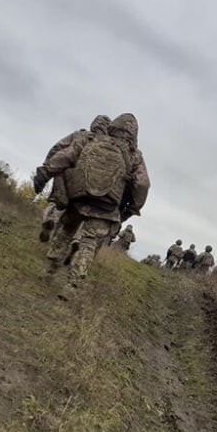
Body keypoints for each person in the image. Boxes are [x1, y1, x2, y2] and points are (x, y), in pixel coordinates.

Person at [33, 112, 150, 299]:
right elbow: (142, 184)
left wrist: (45, 173)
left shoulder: (91, 140)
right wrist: (131, 209)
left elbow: (67, 154)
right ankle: (72, 286)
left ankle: (50, 270)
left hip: (78, 198)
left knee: (65, 232)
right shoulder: (134, 156)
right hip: (107, 206)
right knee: (89, 242)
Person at [38, 115, 110, 242]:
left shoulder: (79, 135)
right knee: (72, 210)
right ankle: (58, 240)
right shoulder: (105, 145)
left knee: (55, 201)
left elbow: (58, 148)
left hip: (64, 173)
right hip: (83, 183)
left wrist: (48, 165)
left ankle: (50, 219)